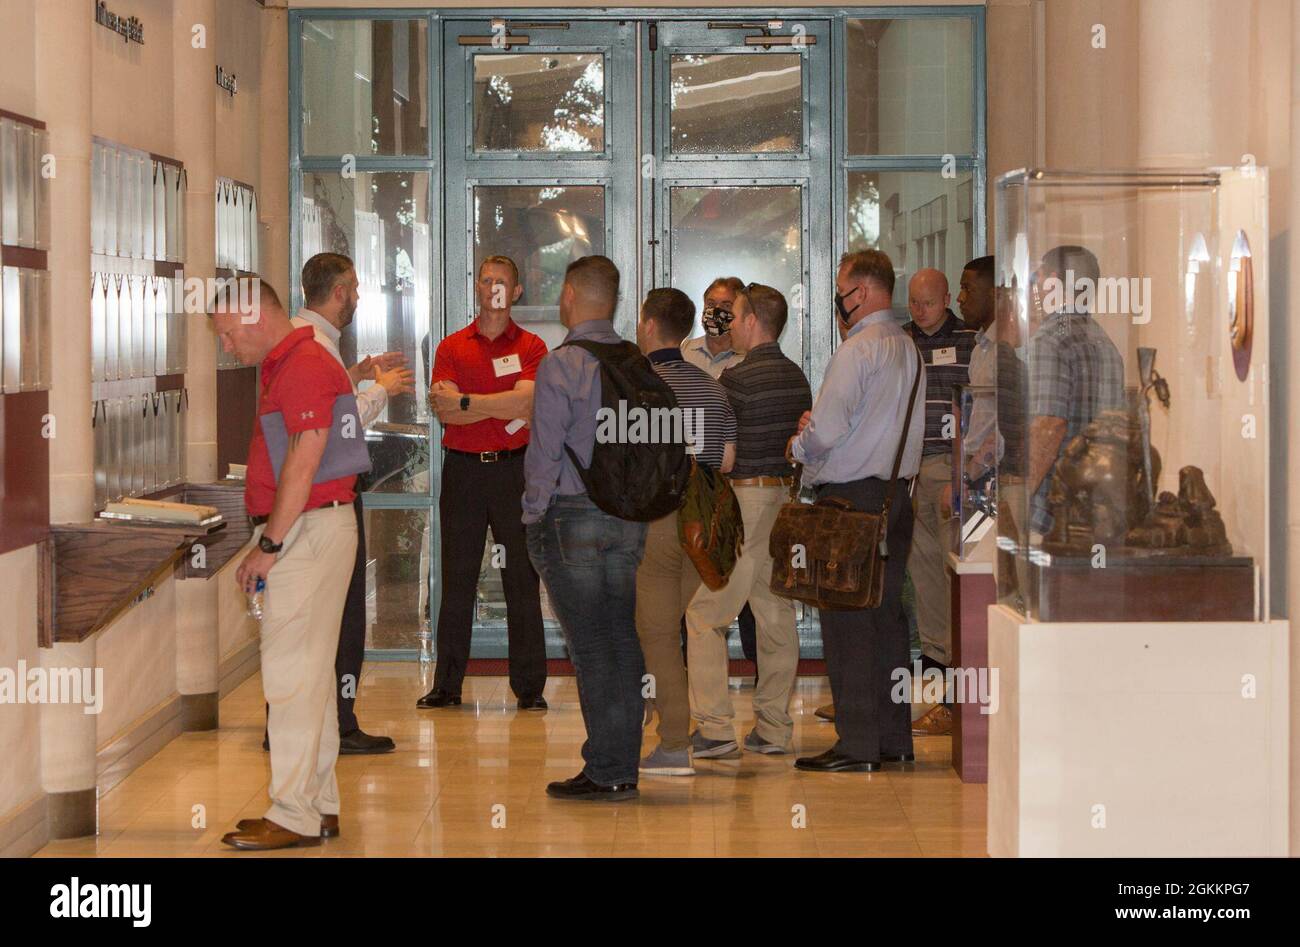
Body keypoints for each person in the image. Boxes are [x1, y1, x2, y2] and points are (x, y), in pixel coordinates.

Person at [211, 280, 360, 849]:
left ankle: (292, 814)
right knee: (310, 678)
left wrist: (267, 546)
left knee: (290, 677)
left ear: (253, 316)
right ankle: (317, 805)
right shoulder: (293, 359)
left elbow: (306, 457)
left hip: (306, 532)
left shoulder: (301, 362)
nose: (227, 347)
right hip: (315, 527)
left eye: (228, 334)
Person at [790, 250, 924, 773]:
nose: (838, 303)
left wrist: (799, 443)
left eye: (841, 291)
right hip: (895, 497)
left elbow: (825, 431)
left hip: (848, 503)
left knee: (846, 625)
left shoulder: (857, 349)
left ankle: (856, 744)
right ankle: (893, 739)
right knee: (888, 623)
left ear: (861, 293)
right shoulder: (909, 348)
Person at [524, 255, 647, 800]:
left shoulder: (562, 364)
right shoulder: (636, 362)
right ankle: (622, 764)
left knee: (592, 647)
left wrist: (532, 514)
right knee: (622, 637)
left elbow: (545, 452)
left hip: (571, 519)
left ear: (570, 295)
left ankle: (605, 767)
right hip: (627, 520)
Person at [288, 252, 414, 755]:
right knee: (340, 615)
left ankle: (304, 721)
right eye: (356, 289)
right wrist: (379, 390)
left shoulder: (307, 340)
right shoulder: (312, 345)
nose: (359, 298)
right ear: (338, 292)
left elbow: (323, 397)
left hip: (311, 497)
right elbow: (336, 425)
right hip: (327, 495)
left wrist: (355, 372)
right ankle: (338, 723)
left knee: (310, 617)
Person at [418, 255, 550, 711]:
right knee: (457, 579)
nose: (493, 287)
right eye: (486, 279)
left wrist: (470, 401)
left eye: (503, 282)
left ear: (516, 292)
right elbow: (446, 410)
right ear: (477, 287)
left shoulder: (533, 347)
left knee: (521, 580)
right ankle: (447, 685)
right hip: (464, 472)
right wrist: (503, 403)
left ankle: (530, 689)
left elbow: (529, 405)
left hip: (515, 471)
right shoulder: (452, 347)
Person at [685, 283, 810, 758]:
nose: (729, 325)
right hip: (783, 501)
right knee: (775, 615)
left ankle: (715, 729)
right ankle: (774, 729)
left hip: (744, 505)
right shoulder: (797, 377)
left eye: (734, 317)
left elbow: (719, 454)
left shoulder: (735, 381)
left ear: (754, 320)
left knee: (704, 615)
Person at [634, 288, 737, 777]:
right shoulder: (713, 386)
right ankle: (655, 716)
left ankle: (674, 742)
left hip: (656, 523)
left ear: (650, 325)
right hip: (702, 529)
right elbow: (728, 459)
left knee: (654, 635)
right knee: (661, 631)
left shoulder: (640, 384)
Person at [901, 268, 975, 738]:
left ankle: (958, 695)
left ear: (947, 298)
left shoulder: (969, 341)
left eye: (928, 302)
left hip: (950, 471)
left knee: (956, 577)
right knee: (922, 575)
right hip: (908, 471)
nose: (919, 310)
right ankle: (934, 688)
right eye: (913, 302)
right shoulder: (899, 341)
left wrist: (966, 470)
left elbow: (978, 407)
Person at [681, 277, 760, 676]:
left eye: (726, 304)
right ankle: (689, 666)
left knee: (741, 582)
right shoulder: (684, 353)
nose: (716, 311)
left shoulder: (749, 358)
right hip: (690, 485)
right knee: (690, 574)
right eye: (710, 303)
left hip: (735, 483)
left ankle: (755, 663)